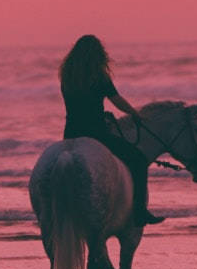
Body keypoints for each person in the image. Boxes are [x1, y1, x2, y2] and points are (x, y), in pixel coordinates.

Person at [59, 34, 162, 226]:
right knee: (138, 160)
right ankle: (140, 211)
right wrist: (134, 113)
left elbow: (79, 106)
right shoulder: (99, 76)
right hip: (96, 134)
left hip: (70, 134)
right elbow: (117, 100)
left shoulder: (66, 75)